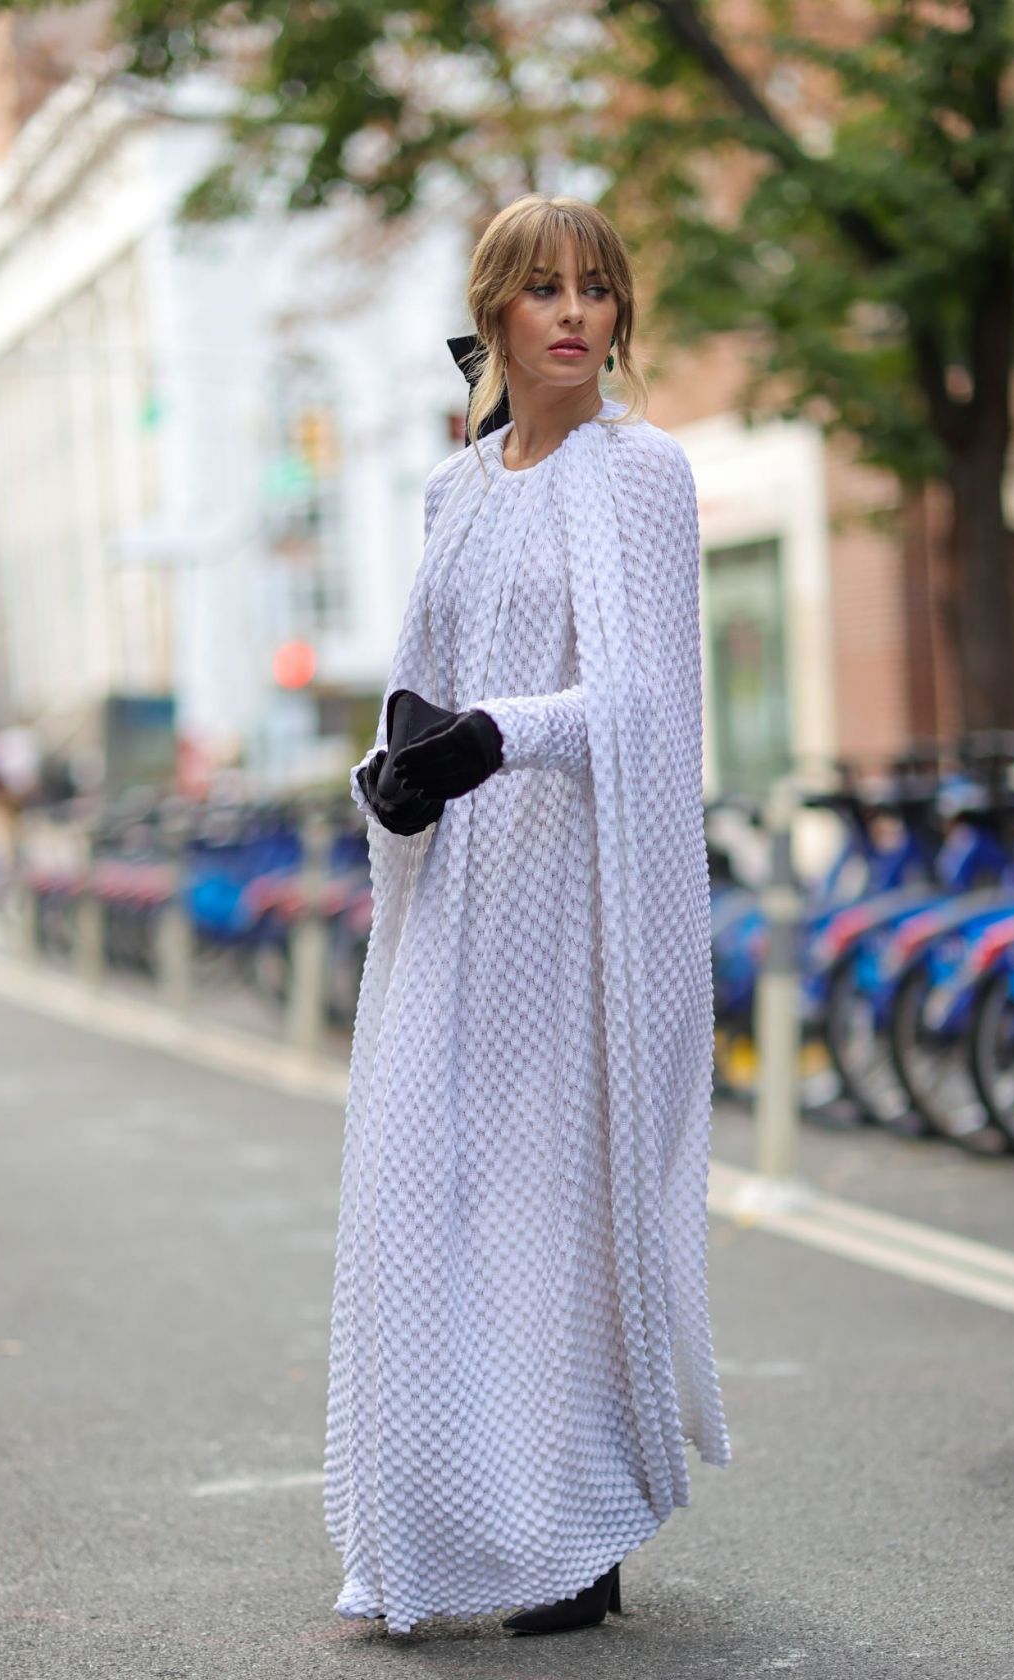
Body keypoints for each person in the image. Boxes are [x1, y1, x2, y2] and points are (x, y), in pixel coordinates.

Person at [323, 193, 731, 1639]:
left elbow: (645, 702)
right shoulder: (457, 487)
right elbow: (414, 677)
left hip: (582, 892)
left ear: (620, 315)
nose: (573, 314)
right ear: (495, 312)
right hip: (455, 898)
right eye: (543, 289)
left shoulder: (642, 473)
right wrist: (396, 773)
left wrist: (497, 736)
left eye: (596, 290)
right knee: (437, 1193)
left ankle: (578, 1532)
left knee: (560, 1205)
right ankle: (448, 1509)